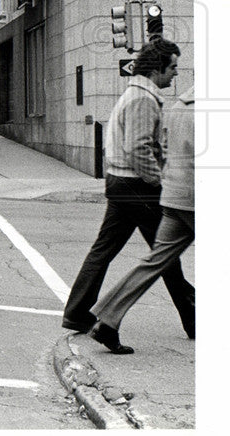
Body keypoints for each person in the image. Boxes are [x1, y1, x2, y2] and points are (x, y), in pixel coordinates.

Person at [61, 39, 194, 337]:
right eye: (172, 67)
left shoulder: (135, 94)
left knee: (107, 250)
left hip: (121, 182)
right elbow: (138, 147)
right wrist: (160, 181)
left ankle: (77, 312)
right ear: (157, 68)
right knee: (165, 253)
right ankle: (192, 315)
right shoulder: (143, 99)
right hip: (137, 185)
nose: (175, 74)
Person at [89, 87, 195, 354]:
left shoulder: (178, 105)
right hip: (196, 196)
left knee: (155, 261)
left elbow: (165, 148)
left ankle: (107, 320)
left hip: (174, 195)